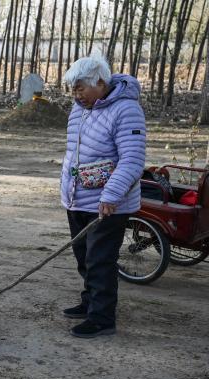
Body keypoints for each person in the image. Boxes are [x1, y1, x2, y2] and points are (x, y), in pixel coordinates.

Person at [60, 55, 146, 338]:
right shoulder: (79, 109)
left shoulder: (126, 110)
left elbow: (132, 159)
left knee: (100, 260)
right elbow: (74, 152)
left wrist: (111, 195)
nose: (76, 94)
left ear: (100, 82)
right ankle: (90, 302)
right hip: (77, 198)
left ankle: (102, 318)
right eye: (73, 89)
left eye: (81, 87)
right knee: (84, 256)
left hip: (108, 203)